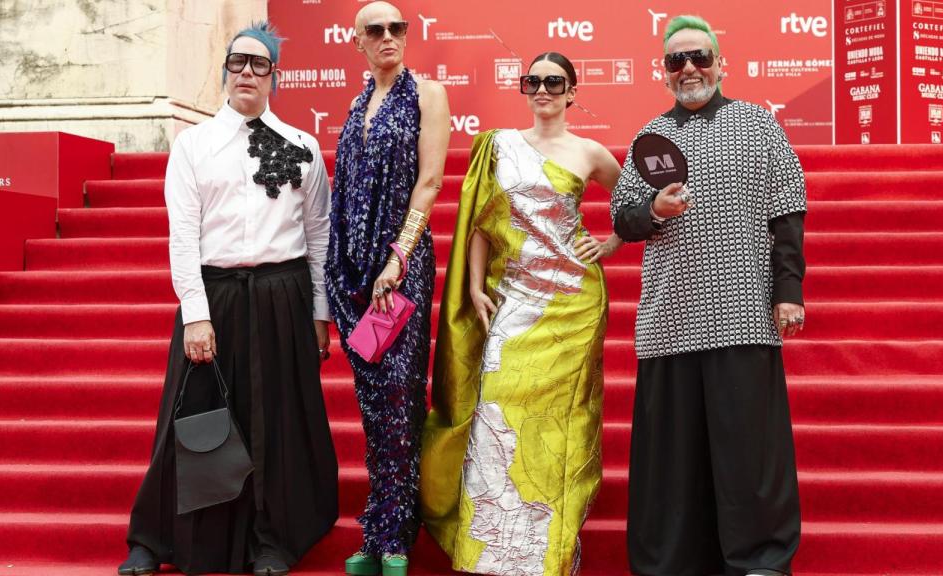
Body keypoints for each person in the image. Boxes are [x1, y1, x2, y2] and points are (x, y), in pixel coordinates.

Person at [118, 21, 338, 576]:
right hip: (214, 297)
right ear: (224, 72)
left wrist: (319, 312)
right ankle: (156, 537)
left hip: (282, 296)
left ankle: (273, 540)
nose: (246, 72)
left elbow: (319, 237)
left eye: (258, 64)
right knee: (192, 419)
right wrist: (195, 314)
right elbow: (182, 236)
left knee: (276, 423)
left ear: (274, 76)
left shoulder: (302, 147)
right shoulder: (194, 145)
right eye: (238, 62)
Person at [611, 15, 806, 576]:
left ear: (721, 63)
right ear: (663, 73)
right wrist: (653, 210)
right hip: (670, 320)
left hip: (743, 313)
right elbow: (622, 221)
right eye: (677, 61)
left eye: (699, 57)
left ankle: (760, 561)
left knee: (750, 455)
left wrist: (787, 291)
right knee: (672, 460)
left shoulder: (757, 124)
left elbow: (787, 211)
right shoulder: (650, 137)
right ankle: (672, 563)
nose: (689, 68)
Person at [420, 52, 623, 576]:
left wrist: (611, 242)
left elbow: (632, 203)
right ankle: (488, 552)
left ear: (572, 92)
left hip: (572, 308)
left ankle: (548, 552)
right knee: (494, 415)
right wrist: (472, 287)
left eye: (554, 82)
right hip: (511, 300)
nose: (543, 90)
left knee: (559, 426)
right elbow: (483, 226)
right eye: (533, 81)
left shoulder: (590, 152)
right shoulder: (499, 147)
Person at [322, 2, 450, 575]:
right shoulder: (354, 106)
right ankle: (375, 534)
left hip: (400, 267)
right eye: (374, 30)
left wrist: (399, 255)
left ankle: (399, 538)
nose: (388, 37)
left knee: (400, 400)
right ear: (358, 42)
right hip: (353, 272)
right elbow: (343, 190)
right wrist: (339, 268)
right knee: (372, 408)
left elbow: (430, 181)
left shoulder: (428, 95)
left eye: (397, 28)